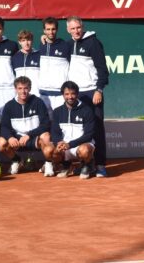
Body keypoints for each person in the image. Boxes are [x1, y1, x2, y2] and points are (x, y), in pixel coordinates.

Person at [66, 16, 109, 178]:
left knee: (97, 128)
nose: (76, 31)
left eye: (78, 27)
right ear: (68, 30)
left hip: (92, 92)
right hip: (75, 95)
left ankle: (100, 165)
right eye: (72, 28)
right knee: (80, 129)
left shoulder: (93, 43)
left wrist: (99, 89)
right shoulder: (68, 45)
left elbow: (102, 69)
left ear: (82, 27)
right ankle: (86, 163)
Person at [0, 76, 54, 176]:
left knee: (46, 136)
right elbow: (4, 127)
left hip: (34, 137)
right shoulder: (9, 105)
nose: (23, 91)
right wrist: (10, 137)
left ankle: (48, 163)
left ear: (30, 89)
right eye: (20, 88)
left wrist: (29, 135)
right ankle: (17, 161)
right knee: (2, 142)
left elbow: (45, 124)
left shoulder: (38, 102)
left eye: (26, 88)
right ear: (15, 89)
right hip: (17, 139)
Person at [51, 81, 96, 180]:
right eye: (67, 94)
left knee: (84, 151)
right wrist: (58, 143)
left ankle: (87, 164)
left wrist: (70, 144)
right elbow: (55, 132)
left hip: (82, 144)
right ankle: (66, 166)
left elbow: (89, 135)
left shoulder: (87, 110)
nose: (70, 97)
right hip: (64, 146)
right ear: (63, 95)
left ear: (77, 94)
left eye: (73, 93)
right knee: (51, 152)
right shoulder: (57, 111)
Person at [39, 17, 71, 119]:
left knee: (61, 124)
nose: (51, 32)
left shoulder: (65, 45)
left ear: (57, 30)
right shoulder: (41, 45)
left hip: (59, 94)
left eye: (53, 29)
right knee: (45, 126)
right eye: (48, 29)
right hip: (44, 93)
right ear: (44, 30)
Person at [12, 29, 41, 96]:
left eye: (28, 40)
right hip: (20, 96)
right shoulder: (15, 57)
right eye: (23, 40)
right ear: (19, 42)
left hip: (36, 94)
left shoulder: (39, 55)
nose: (26, 43)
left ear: (32, 41)